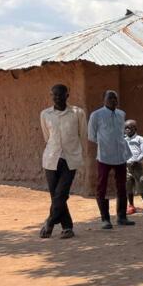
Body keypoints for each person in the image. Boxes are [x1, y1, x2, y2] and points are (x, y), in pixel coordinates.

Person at [39, 83, 87, 239]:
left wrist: (78, 152)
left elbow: (82, 135)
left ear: (67, 95)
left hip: (70, 158)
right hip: (51, 158)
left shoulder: (77, 113)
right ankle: (67, 227)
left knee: (61, 193)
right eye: (55, 95)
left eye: (61, 94)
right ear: (51, 96)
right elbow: (47, 137)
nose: (58, 97)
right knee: (56, 195)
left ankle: (50, 222)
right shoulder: (45, 114)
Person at [87, 89, 134, 229]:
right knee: (102, 187)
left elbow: (120, 133)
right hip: (104, 156)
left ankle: (122, 217)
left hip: (120, 156)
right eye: (110, 98)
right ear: (104, 100)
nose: (113, 101)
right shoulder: (96, 115)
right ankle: (105, 219)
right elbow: (91, 136)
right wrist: (105, 143)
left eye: (115, 98)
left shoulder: (121, 114)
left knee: (122, 186)